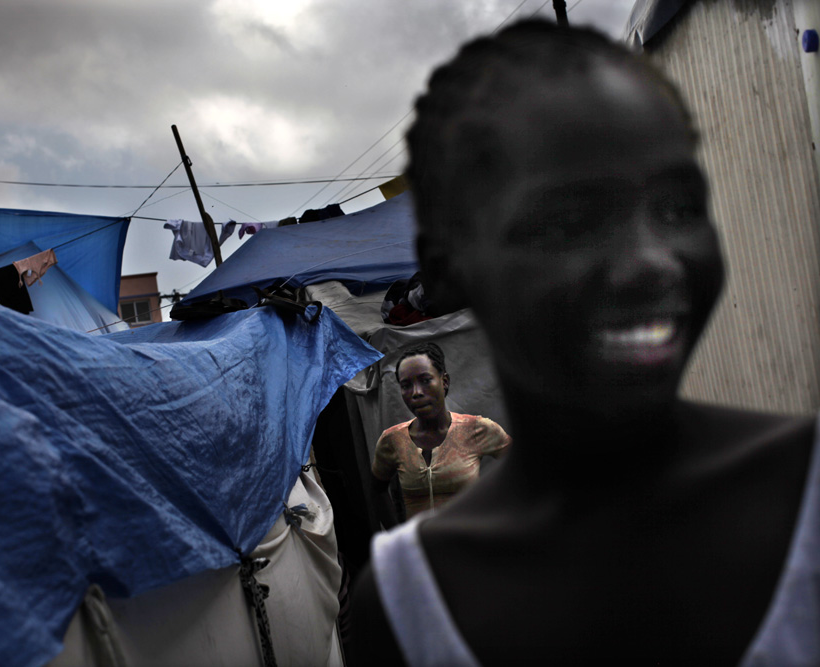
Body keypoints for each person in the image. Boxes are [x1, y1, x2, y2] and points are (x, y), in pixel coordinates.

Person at [348, 20, 817, 666]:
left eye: (678, 205)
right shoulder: (407, 611)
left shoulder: (805, 503)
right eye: (571, 218)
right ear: (449, 267)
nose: (651, 262)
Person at [371, 342, 510, 526]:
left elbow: (524, 467)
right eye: (406, 385)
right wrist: (398, 537)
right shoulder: (393, 440)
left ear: (444, 381)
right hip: (423, 550)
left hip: (470, 547)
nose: (416, 393)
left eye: (425, 380)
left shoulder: (476, 429)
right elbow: (377, 489)